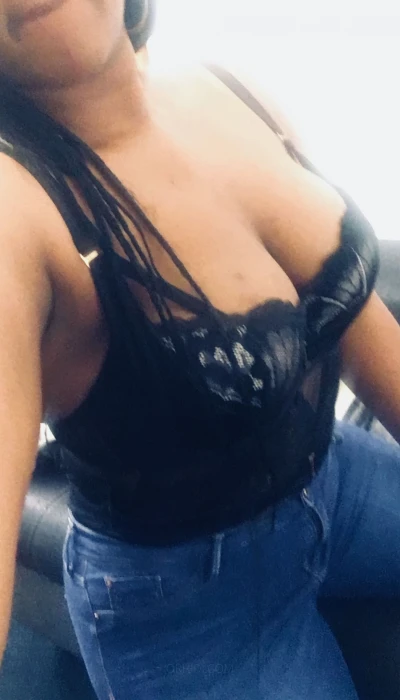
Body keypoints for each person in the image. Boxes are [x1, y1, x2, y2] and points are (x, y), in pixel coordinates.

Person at [1, 0, 400, 698]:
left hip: (336, 480)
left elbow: (363, 334)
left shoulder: (227, 89)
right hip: (185, 608)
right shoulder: (16, 213)